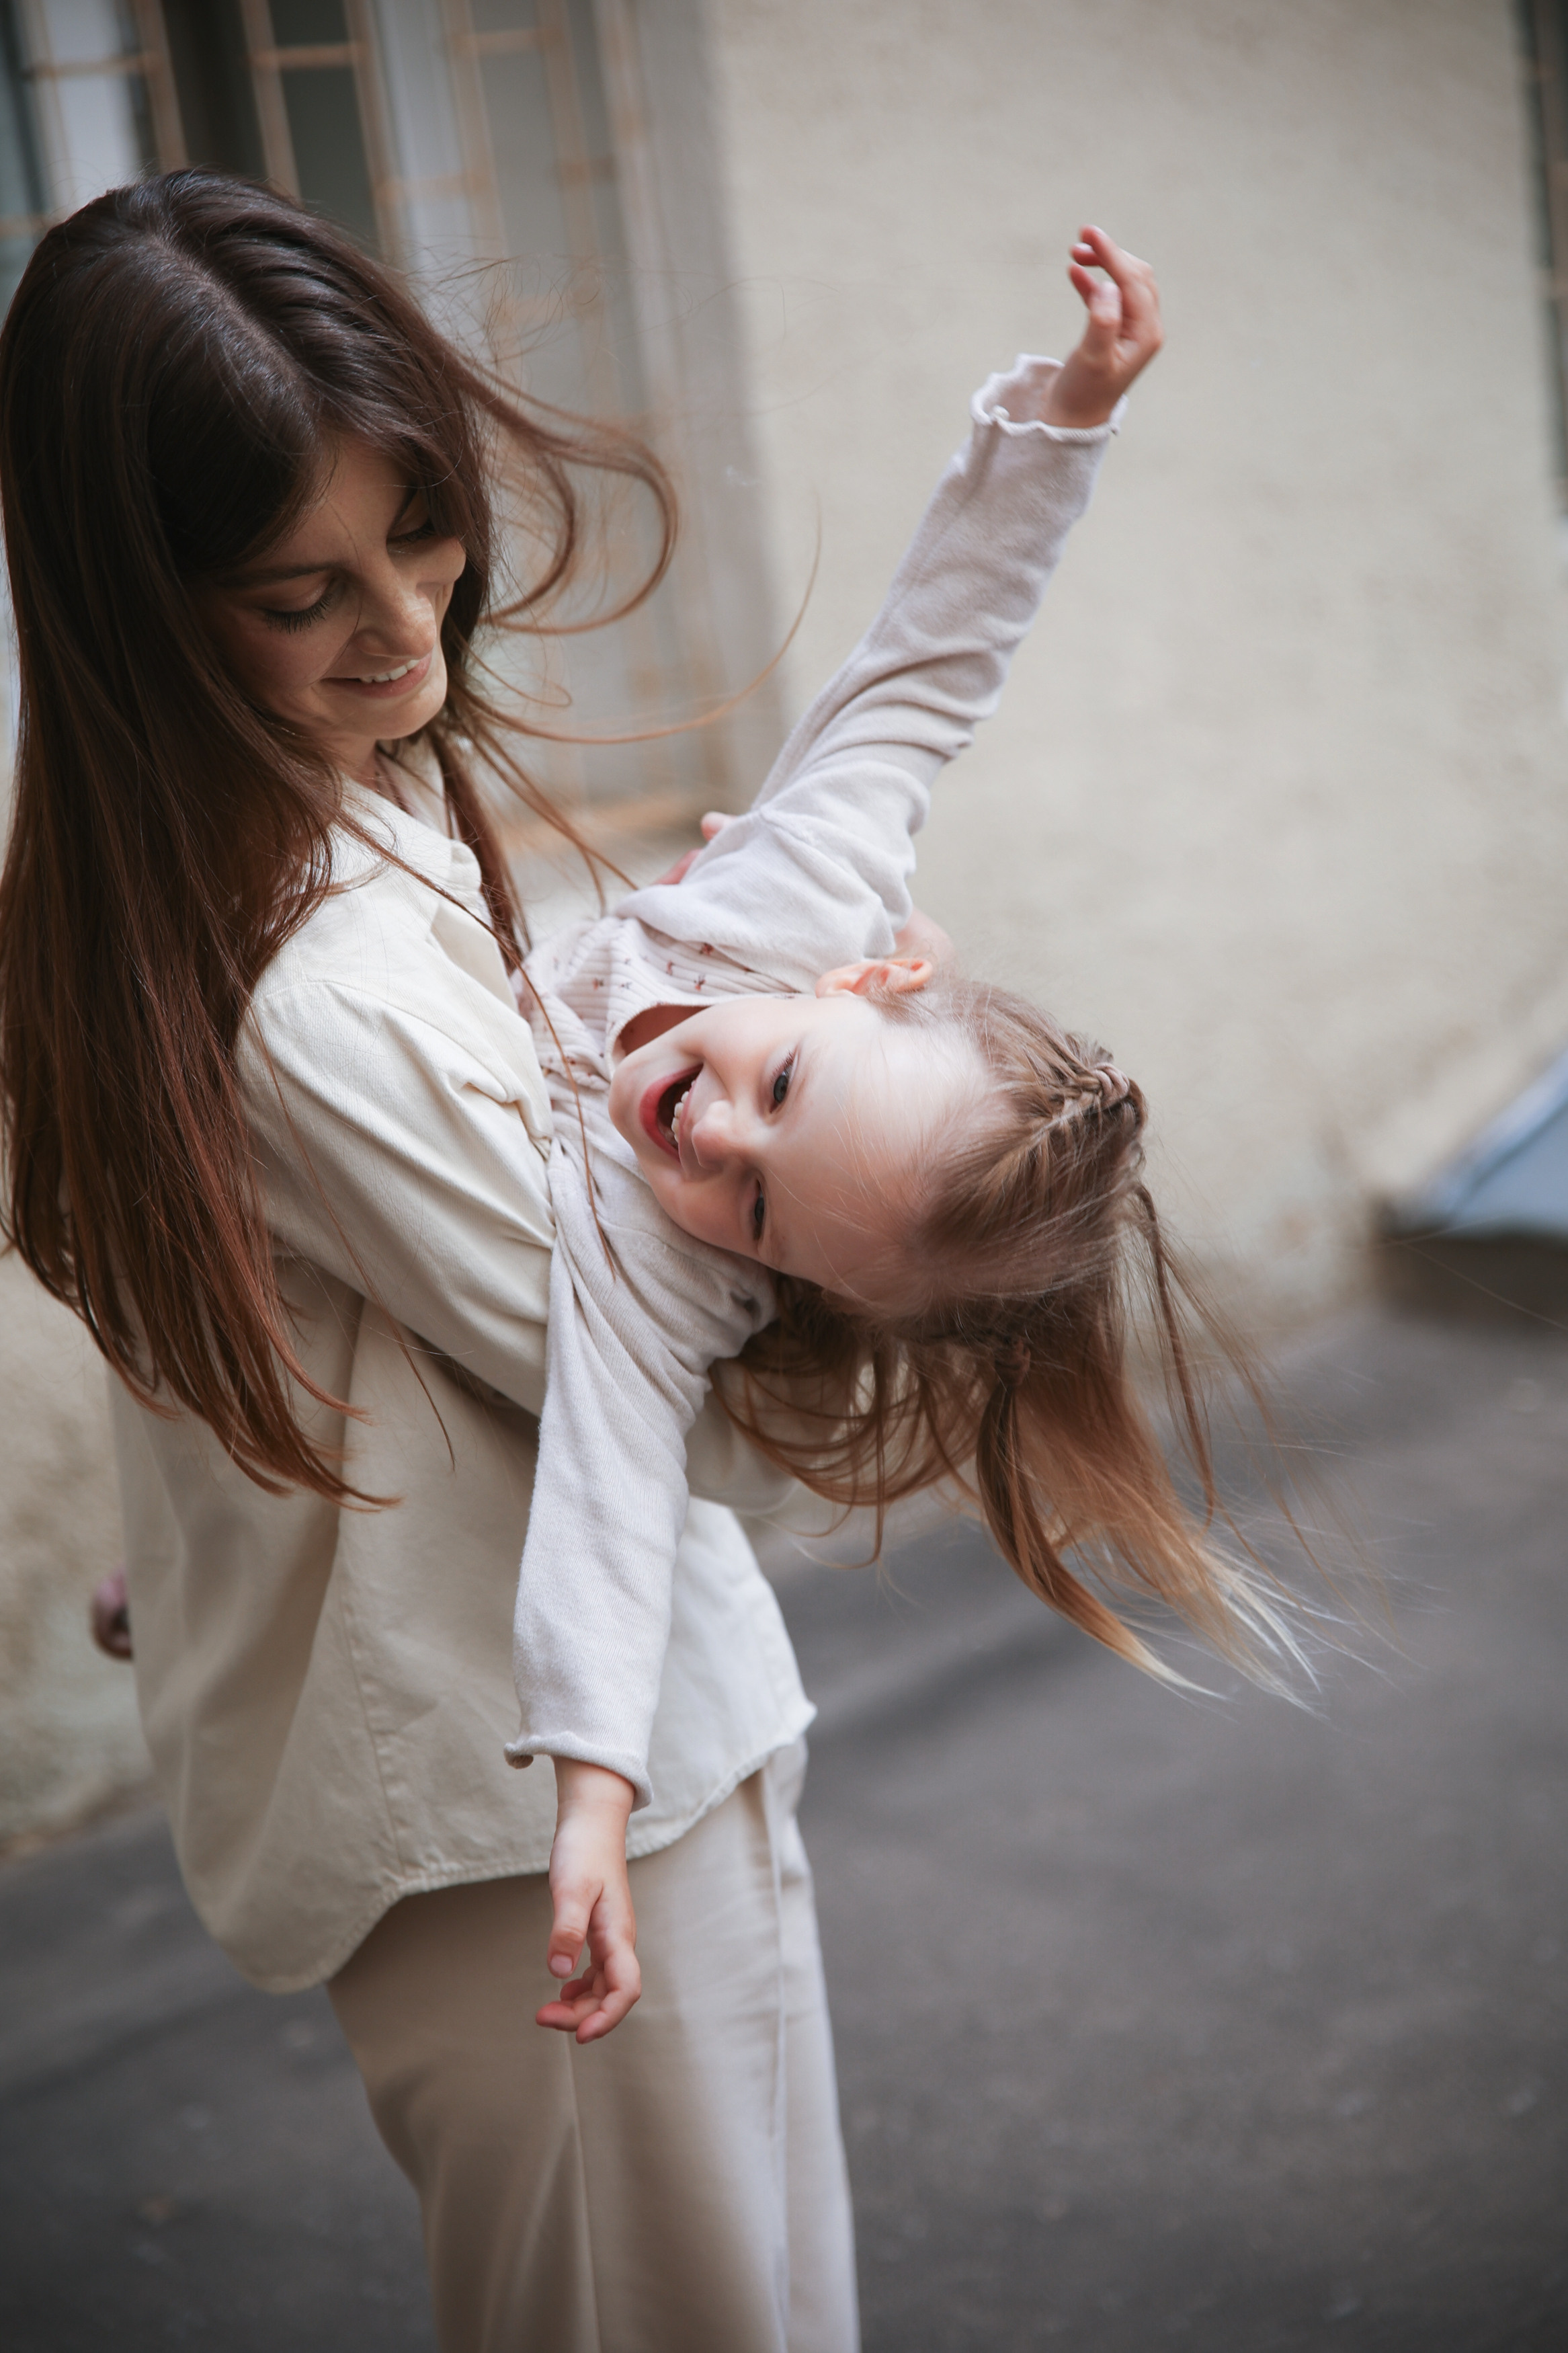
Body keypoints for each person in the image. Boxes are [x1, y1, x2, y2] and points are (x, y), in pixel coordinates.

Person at [0, 170, 855, 2352]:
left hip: (547, 1775)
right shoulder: (317, 972)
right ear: (137, 610)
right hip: (544, 1827)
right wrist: (864, 1136)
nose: (404, 628)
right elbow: (690, 1396)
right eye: (303, 590)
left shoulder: (236, 855)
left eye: (423, 532)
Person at [507, 233, 1311, 2045]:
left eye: (767, 1215)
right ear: (866, 975)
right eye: (774, 1088)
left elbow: (612, 1517)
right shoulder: (801, 884)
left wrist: (587, 1802)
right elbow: (935, 658)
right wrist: (1067, 416)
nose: (705, 1138)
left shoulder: (666, 1276)